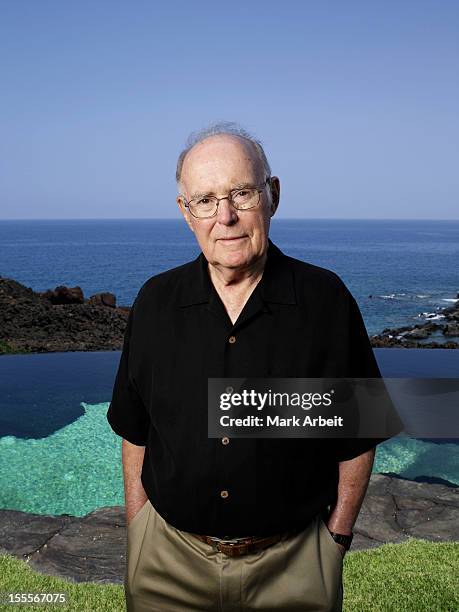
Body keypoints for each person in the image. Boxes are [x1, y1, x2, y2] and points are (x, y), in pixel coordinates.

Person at [107, 121, 400, 611]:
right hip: (166, 563)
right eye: (205, 200)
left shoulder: (325, 301)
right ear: (186, 212)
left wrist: (335, 541)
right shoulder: (155, 302)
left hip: (293, 567)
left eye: (241, 193)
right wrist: (139, 530)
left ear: (273, 195)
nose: (225, 217)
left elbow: (359, 434)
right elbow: (136, 431)